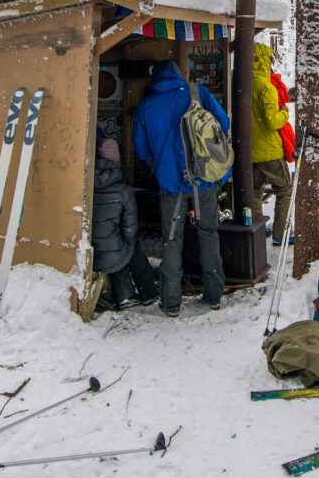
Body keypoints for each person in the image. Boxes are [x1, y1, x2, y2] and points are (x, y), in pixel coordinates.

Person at [132, 59, 229, 316]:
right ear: (179, 74)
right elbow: (224, 125)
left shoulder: (146, 106)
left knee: (172, 241)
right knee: (209, 235)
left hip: (170, 186)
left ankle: (172, 302)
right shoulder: (198, 93)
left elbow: (141, 151)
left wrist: (164, 160)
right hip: (203, 181)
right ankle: (213, 295)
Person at [92, 136, 158, 310]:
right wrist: (127, 240)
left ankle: (126, 293)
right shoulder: (123, 191)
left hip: (91, 250)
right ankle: (145, 292)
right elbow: (130, 228)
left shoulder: (86, 184)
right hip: (111, 253)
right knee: (129, 247)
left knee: (112, 245)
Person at [250, 43, 295, 242]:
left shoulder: (243, 83)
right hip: (269, 150)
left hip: (250, 150)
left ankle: (256, 232)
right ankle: (281, 234)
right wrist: (284, 113)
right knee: (284, 190)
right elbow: (271, 121)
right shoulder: (266, 87)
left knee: (253, 193)